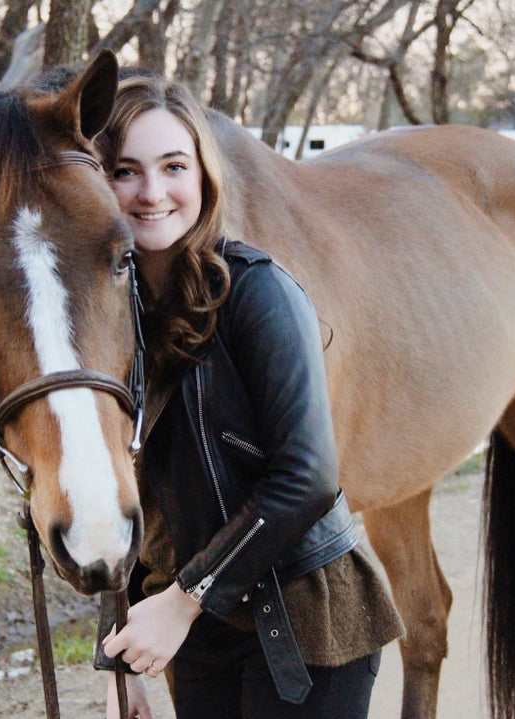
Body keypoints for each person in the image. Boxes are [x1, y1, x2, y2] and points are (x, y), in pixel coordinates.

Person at [93, 73, 403, 719]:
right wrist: (122, 653)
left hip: (304, 619)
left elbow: (308, 475)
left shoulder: (257, 291)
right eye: (126, 170)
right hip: (200, 625)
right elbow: (119, 495)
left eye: (173, 166)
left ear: (204, 175)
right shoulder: (115, 324)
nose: (152, 192)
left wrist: (181, 601)